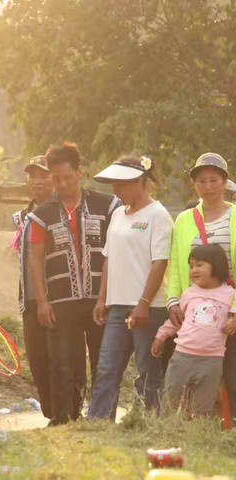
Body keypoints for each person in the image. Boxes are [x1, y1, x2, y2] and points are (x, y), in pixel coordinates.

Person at [29, 142, 119, 426]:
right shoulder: (42, 213)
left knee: (103, 361)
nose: (62, 184)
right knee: (61, 361)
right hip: (60, 300)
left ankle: (103, 417)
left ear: (80, 172)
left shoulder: (107, 205)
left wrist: (108, 297)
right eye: (56, 179)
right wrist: (42, 302)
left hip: (99, 300)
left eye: (67, 177)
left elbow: (116, 250)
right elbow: (35, 257)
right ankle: (63, 418)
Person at [88, 155, 173, 421]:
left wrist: (144, 303)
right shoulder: (117, 215)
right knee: (107, 368)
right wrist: (102, 299)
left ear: (140, 182)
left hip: (148, 308)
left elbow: (160, 263)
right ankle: (98, 423)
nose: (115, 190)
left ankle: (146, 422)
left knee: (147, 370)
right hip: (117, 307)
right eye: (113, 184)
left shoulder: (158, 215)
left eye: (120, 185)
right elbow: (108, 259)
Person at [166, 153, 236, 420]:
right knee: (194, 372)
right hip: (195, 311)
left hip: (229, 307)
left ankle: (228, 429)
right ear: (194, 184)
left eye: (214, 180)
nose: (208, 186)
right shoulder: (184, 220)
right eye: (202, 180)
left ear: (225, 182)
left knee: (231, 374)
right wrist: (174, 300)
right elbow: (176, 263)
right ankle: (195, 424)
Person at [153, 244, 234, 417]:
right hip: (182, 356)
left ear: (217, 265)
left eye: (199, 265)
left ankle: (197, 435)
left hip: (212, 361)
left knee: (203, 408)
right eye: (190, 266)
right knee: (170, 401)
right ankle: (165, 430)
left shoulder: (230, 294)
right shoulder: (189, 293)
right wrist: (161, 335)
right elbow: (176, 321)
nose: (193, 270)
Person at [11, 155, 54, 421]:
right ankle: (51, 413)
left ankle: (67, 410)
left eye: (43, 175)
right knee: (37, 360)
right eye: (32, 176)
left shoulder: (60, 211)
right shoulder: (23, 217)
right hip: (28, 300)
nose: (37, 181)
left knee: (58, 358)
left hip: (54, 298)